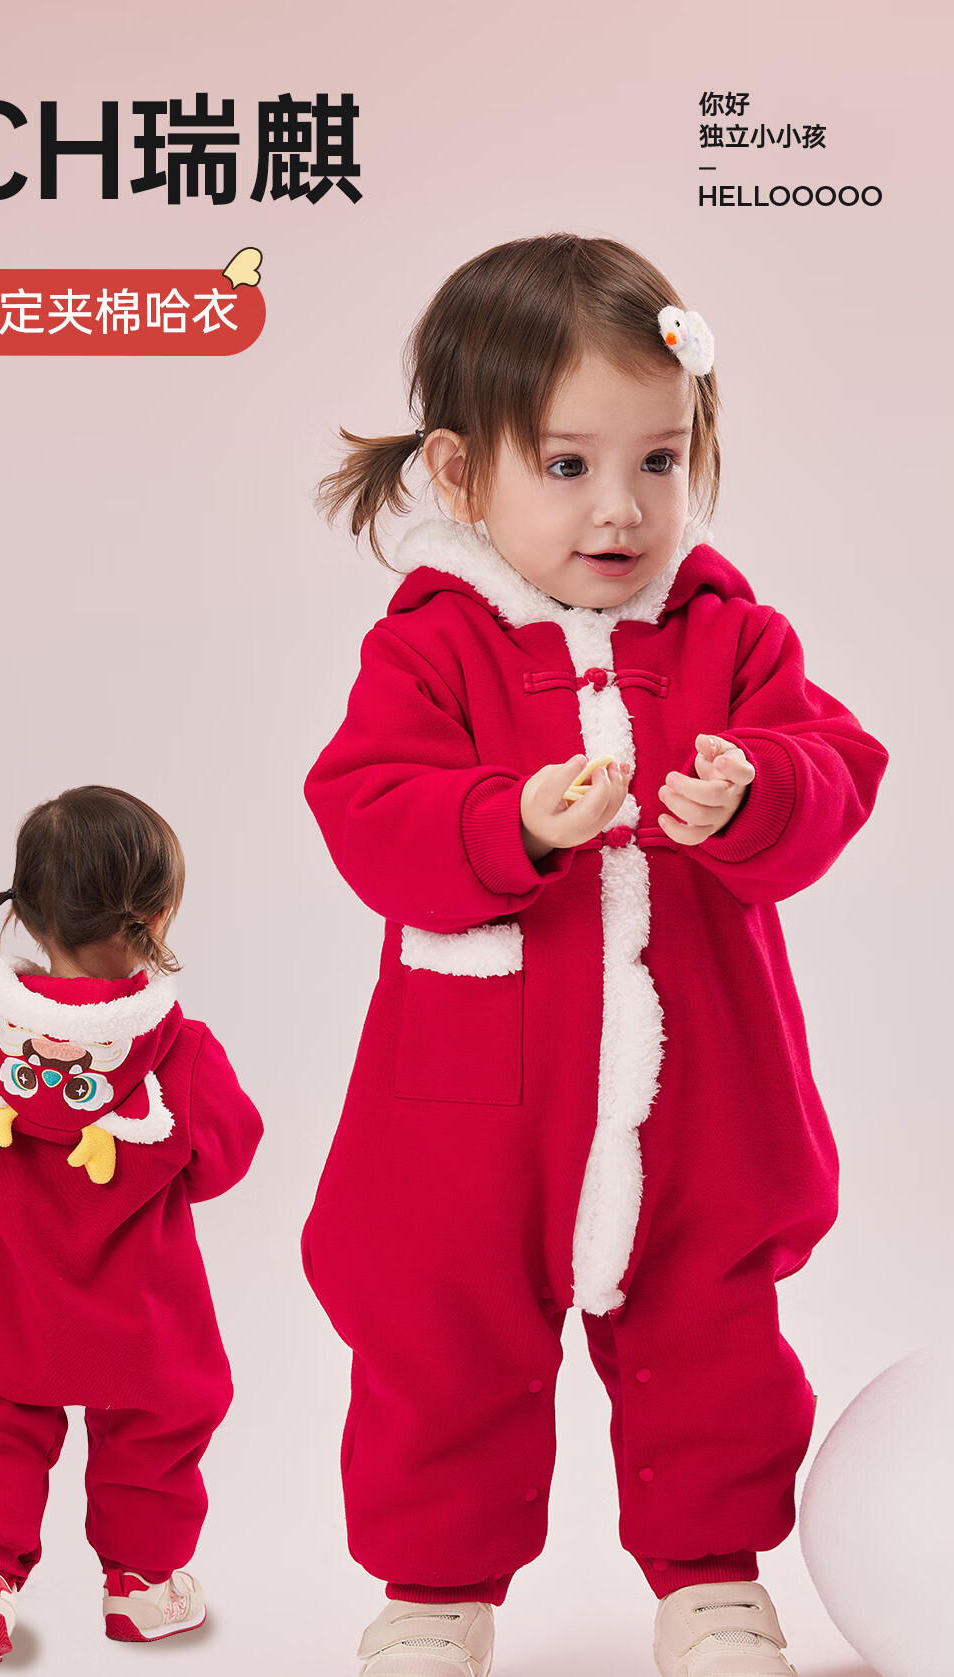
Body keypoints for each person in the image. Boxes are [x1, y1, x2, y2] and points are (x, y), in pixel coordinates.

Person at [300, 234, 888, 1677]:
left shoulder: (729, 636)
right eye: (566, 465)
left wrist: (758, 790)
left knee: (713, 1339)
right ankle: (434, 1593)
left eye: (659, 460)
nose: (621, 509)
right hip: (472, 1100)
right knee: (441, 1343)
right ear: (460, 473)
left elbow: (836, 764)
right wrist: (504, 821)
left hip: (703, 1091)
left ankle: (712, 1584)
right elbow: (366, 808)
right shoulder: (432, 649)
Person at [0, 784, 262, 1661]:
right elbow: (228, 1157)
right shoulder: (181, 1049)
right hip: (142, 1314)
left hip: (0, 1306)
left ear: (24, 911)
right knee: (153, 1430)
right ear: (156, 915)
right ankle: (142, 1586)